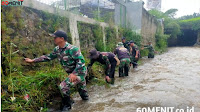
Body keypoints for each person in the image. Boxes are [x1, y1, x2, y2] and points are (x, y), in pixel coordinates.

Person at [24, 30, 89, 111]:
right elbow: (48, 57)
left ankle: (67, 106)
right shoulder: (57, 49)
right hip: (72, 74)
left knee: (63, 86)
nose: (53, 39)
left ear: (62, 38)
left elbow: (81, 62)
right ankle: (86, 105)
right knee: (83, 94)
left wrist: (74, 74)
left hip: (80, 73)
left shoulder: (73, 49)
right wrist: (33, 60)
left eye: (55, 37)